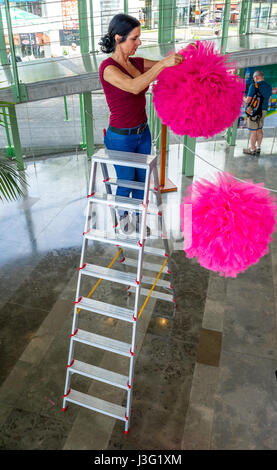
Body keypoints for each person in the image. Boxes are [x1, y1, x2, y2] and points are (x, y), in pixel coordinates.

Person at [99, 13, 184, 235]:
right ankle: (124, 219)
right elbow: (135, 86)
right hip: (121, 138)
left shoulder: (135, 62)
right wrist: (163, 63)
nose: (139, 43)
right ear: (118, 38)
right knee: (127, 181)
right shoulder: (108, 68)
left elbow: (166, 68)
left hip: (142, 133)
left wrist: (183, 60)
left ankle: (138, 218)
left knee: (142, 181)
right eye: (134, 38)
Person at [243, 70, 272, 156]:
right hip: (264, 111)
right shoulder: (269, 86)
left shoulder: (253, 86)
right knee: (259, 129)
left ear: (256, 77)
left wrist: (243, 98)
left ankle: (252, 149)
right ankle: (258, 147)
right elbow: (269, 99)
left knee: (253, 131)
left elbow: (248, 100)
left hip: (254, 112)